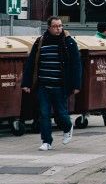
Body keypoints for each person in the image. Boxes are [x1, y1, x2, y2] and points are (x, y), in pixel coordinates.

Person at [21, 17, 81, 151]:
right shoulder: (41, 42)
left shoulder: (68, 42)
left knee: (61, 114)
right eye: (55, 26)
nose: (59, 28)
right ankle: (46, 141)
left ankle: (67, 127)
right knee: (44, 114)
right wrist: (26, 83)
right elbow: (31, 63)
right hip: (43, 86)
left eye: (60, 26)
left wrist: (76, 85)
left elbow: (76, 65)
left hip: (60, 86)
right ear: (49, 27)